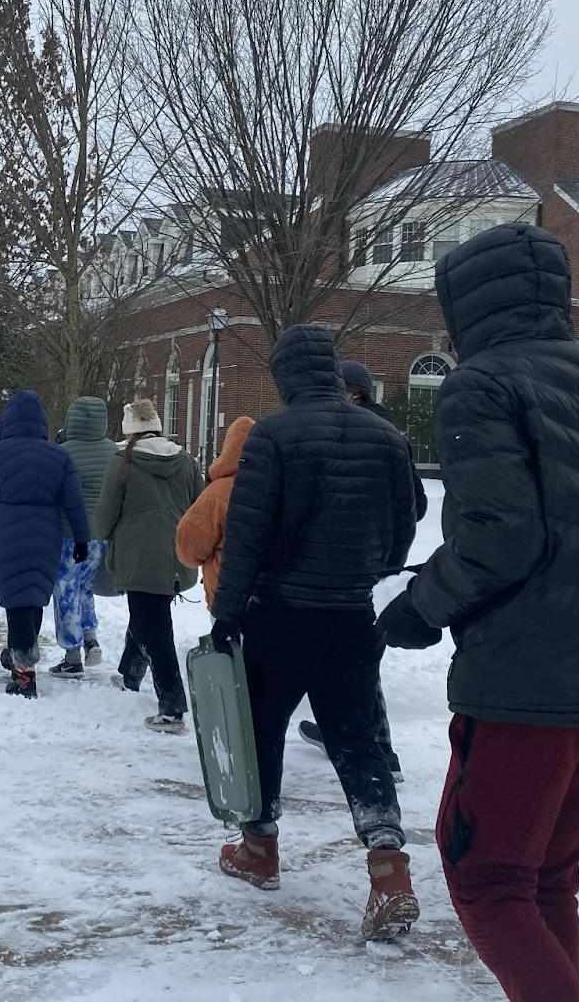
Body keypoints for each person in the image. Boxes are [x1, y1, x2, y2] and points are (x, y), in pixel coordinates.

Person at [378, 224, 579, 1001]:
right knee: (546, 873)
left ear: (464, 303)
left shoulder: (480, 384)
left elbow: (500, 535)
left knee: (486, 878)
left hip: (533, 681)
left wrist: (418, 607)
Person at [208, 324, 420, 940]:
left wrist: (226, 614)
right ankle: (388, 870)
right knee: (357, 740)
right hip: (351, 615)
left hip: (277, 613)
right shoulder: (388, 436)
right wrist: (364, 568)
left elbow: (246, 535)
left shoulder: (272, 435)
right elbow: (403, 530)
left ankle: (258, 849)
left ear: (284, 376)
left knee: (262, 733)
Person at [299, 359, 424, 780]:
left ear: (351, 393)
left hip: (353, 566)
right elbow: (417, 504)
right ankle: (344, 731)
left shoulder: (351, 433)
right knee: (352, 656)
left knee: (351, 658)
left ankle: (380, 751)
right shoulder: (393, 435)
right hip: (374, 563)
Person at [0, 390, 90, 698]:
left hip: (7, 529)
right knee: (33, 596)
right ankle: (21, 653)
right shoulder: (59, 456)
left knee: (16, 598)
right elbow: (74, 502)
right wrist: (81, 537)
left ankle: (23, 676)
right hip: (46, 530)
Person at [94, 400, 203, 732]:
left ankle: (172, 708)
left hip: (138, 557)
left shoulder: (124, 461)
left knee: (155, 629)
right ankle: (129, 676)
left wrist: (103, 535)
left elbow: (104, 515)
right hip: (175, 557)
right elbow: (199, 504)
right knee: (147, 615)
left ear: (130, 431)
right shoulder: (185, 461)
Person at [48, 396, 117, 675]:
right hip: (99, 536)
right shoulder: (115, 452)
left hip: (68, 534)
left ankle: (72, 654)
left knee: (66, 588)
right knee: (85, 587)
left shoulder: (62, 453)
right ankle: (91, 638)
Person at [174, 415, 256, 611]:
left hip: (226, 595)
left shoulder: (217, 494)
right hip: (274, 599)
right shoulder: (280, 487)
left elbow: (189, 548)